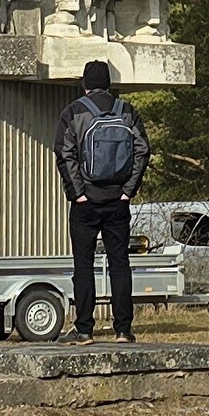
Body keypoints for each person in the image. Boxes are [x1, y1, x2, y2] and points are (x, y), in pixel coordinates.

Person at [54, 57, 145, 341]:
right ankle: (123, 330)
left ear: (85, 85)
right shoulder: (127, 111)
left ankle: (84, 330)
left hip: (86, 202)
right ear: (109, 84)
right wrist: (128, 190)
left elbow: (64, 153)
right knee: (120, 264)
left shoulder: (73, 112)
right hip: (118, 200)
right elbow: (142, 150)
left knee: (83, 266)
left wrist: (77, 193)